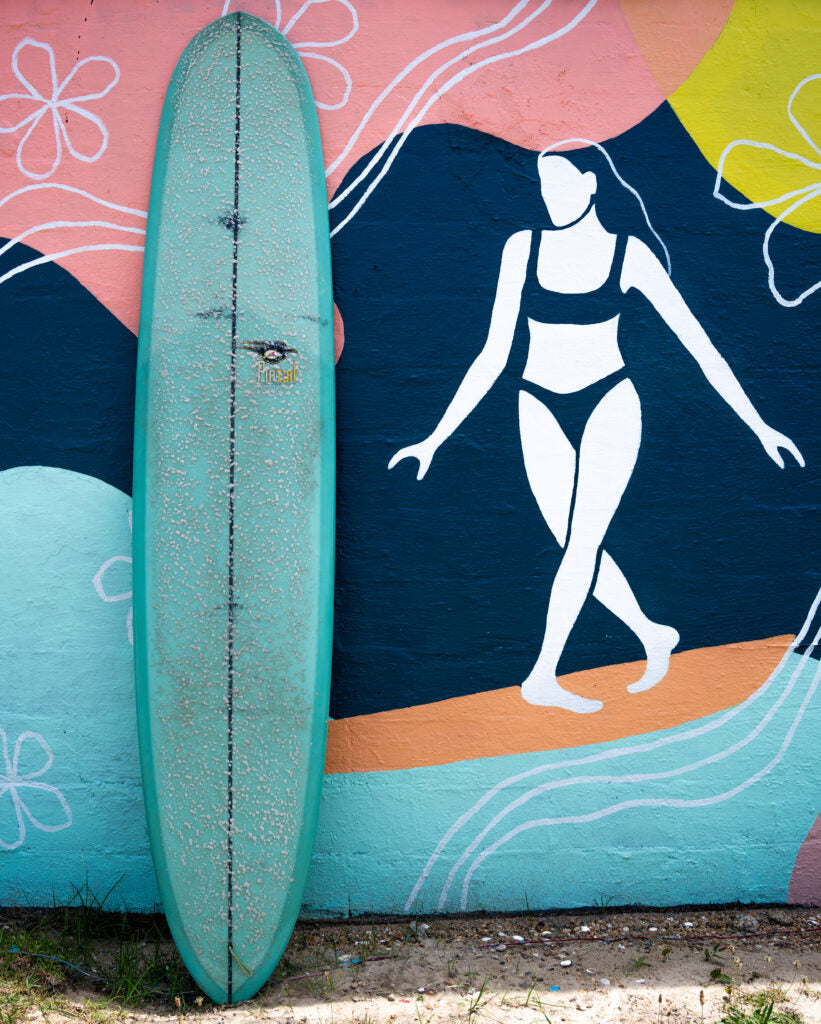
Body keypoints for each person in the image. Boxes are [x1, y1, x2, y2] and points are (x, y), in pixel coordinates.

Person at [388, 143, 804, 714]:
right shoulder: (522, 248)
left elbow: (698, 345)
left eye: (561, 185)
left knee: (582, 542)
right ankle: (651, 633)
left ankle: (542, 674)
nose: (549, 198)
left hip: (610, 400)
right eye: (541, 187)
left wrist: (758, 425)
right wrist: (435, 437)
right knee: (572, 543)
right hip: (535, 401)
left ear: (590, 183)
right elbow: (493, 352)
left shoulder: (628, 256)